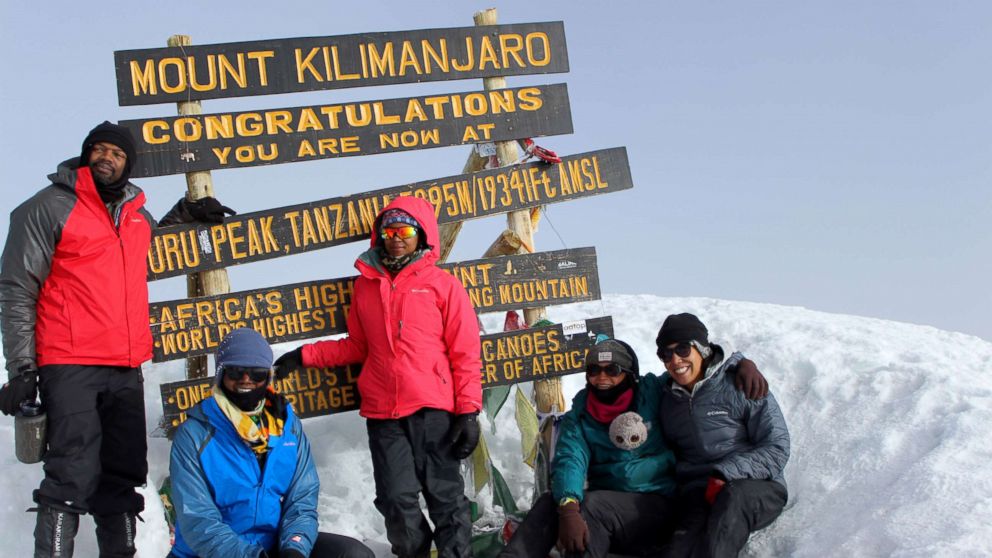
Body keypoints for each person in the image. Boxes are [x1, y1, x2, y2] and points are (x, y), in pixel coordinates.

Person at [0, 121, 234, 558]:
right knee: (71, 472)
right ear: (87, 153)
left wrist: (187, 213)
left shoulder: (135, 213)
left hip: (125, 366)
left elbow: (146, 244)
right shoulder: (48, 207)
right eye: (100, 150)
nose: (107, 158)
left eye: (118, 154)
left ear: (128, 164)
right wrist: (22, 368)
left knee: (122, 475)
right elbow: (16, 286)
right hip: (69, 362)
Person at [273, 197, 482, 558]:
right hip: (384, 413)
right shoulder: (367, 286)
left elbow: (465, 352)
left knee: (445, 497)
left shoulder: (443, 286)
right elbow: (357, 346)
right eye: (389, 230)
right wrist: (304, 355)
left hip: (434, 411)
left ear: (421, 235)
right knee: (395, 500)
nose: (396, 237)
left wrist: (468, 412)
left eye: (404, 230)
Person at [499, 339, 768, 558]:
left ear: (629, 374)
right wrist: (568, 508)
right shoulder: (581, 414)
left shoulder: (651, 392)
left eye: (612, 370)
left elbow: (692, 370)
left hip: (657, 507)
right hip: (609, 512)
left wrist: (740, 362)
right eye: (593, 370)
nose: (601, 377)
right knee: (554, 501)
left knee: (591, 505)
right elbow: (570, 458)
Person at [168, 328, 374, 558]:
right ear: (221, 374)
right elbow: (197, 519)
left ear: (267, 377)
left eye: (256, 373)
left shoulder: (287, 426)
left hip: (274, 544)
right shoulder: (195, 434)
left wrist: (294, 547)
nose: (246, 380)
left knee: (354, 554)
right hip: (212, 553)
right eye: (236, 372)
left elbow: (302, 498)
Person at [655, 313, 790, 558]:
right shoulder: (667, 397)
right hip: (699, 490)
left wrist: (725, 473)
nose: (675, 360)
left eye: (683, 349)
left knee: (730, 505)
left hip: (756, 486)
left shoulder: (741, 384)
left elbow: (777, 446)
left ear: (702, 350)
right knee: (678, 549)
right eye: (666, 354)